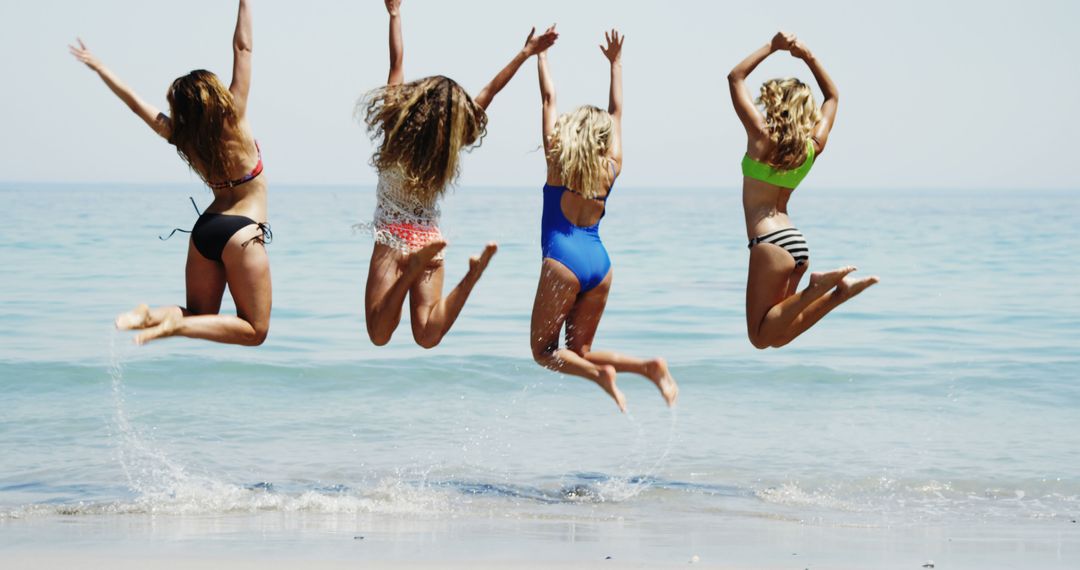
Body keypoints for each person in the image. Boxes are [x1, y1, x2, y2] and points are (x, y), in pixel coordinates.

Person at [70, 0, 271, 346]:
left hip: (205, 229)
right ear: (215, 94)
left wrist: (101, 68)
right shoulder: (234, 114)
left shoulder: (180, 134)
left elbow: (136, 105)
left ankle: (150, 316)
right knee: (255, 330)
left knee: (196, 314)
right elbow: (243, 47)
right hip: (242, 230)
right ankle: (173, 327)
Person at [360, 0, 557, 348]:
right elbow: (489, 92)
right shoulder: (448, 145)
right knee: (427, 336)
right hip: (428, 239)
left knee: (379, 333)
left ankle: (407, 273)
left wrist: (394, 15)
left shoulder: (395, 123)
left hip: (392, 236)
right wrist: (525, 53)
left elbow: (397, 62)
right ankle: (471, 276)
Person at [530, 29, 678, 413]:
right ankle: (648, 367)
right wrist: (615, 64)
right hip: (600, 263)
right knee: (579, 351)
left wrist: (540, 57)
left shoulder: (557, 164)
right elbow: (617, 113)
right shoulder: (611, 167)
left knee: (544, 352)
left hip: (563, 261)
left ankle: (601, 377)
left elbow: (549, 98)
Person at [727, 32, 878, 350]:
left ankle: (817, 289)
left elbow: (735, 77)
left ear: (775, 103)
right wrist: (807, 56)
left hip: (768, 241)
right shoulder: (811, 147)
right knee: (777, 337)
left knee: (758, 337)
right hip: (793, 241)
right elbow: (833, 97)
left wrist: (772, 47)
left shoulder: (761, 139)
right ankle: (839, 294)